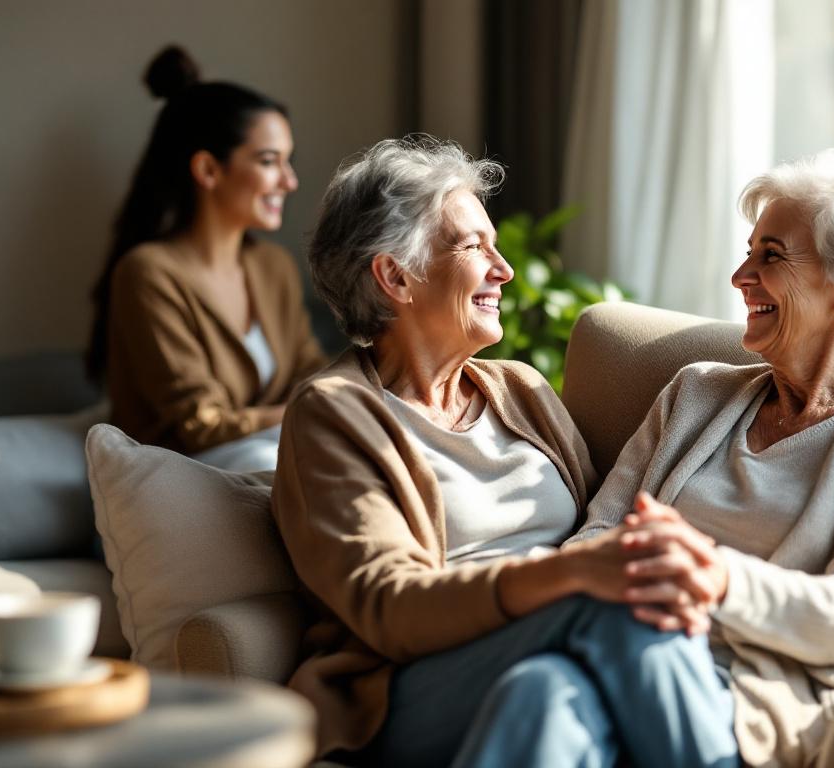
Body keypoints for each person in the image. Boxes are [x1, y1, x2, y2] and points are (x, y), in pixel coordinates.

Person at [272, 135, 738, 768]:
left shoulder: (520, 389)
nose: (504, 270)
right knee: (615, 608)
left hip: (546, 653)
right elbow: (388, 605)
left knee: (547, 695)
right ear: (395, 276)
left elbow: (598, 520)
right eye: (473, 247)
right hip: (412, 683)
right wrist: (569, 576)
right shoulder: (333, 413)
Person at [568, 146, 834, 767]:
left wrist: (716, 579)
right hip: (620, 656)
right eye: (749, 251)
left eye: (771, 255)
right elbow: (593, 538)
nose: (740, 276)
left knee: (546, 680)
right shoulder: (694, 393)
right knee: (537, 689)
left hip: (756, 707)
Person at [86, 45, 327, 472]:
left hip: (264, 452)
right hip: (173, 477)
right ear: (209, 170)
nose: (289, 181)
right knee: (276, 462)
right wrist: (305, 410)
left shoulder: (273, 267)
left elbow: (313, 375)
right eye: (269, 161)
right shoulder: (148, 274)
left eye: (288, 162)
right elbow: (198, 425)